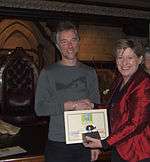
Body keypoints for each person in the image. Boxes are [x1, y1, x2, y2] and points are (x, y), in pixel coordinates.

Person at [35, 21, 101, 162]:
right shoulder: (47, 73)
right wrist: (71, 105)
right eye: (64, 42)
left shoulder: (90, 72)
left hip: (84, 142)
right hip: (58, 143)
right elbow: (39, 109)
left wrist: (94, 144)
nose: (69, 46)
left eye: (73, 40)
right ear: (58, 46)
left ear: (78, 42)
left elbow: (95, 109)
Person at [83, 39, 150, 162]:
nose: (124, 63)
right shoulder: (120, 80)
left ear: (140, 60)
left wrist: (105, 143)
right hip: (119, 147)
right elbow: (112, 108)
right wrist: (92, 105)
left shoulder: (144, 83)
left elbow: (136, 124)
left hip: (136, 153)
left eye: (130, 57)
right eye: (120, 58)